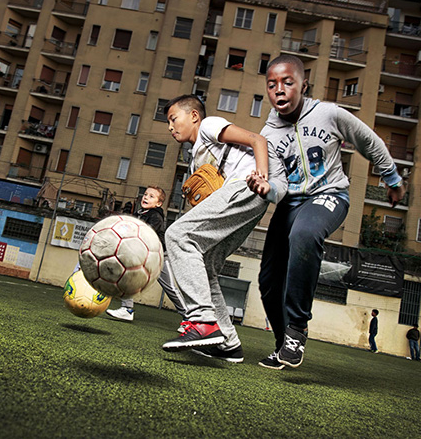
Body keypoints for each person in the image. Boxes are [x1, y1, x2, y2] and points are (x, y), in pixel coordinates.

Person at [247, 55, 406, 370]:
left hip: (330, 195)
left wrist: (392, 178)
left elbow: (369, 142)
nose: (279, 90)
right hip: (291, 202)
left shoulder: (329, 114)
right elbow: (278, 184)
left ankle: (297, 328)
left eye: (287, 82)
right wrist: (266, 189)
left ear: (303, 85)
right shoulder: (268, 134)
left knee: (304, 234)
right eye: (272, 84)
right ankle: (284, 345)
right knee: (268, 279)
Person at [161, 94, 287, 363]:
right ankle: (228, 344)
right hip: (245, 202)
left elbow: (258, 140)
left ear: (193, 116)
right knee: (205, 265)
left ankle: (202, 322)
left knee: (177, 235)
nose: (170, 127)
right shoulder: (195, 158)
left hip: (246, 187)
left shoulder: (208, 126)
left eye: (174, 119)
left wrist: (261, 177)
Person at [106, 186, 188, 330]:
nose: (146, 197)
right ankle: (127, 309)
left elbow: (144, 233)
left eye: (151, 196)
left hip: (158, 256)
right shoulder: (140, 213)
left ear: (158, 204)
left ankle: (191, 319)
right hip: (144, 254)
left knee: (170, 288)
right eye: (145, 194)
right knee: (127, 277)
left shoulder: (156, 216)